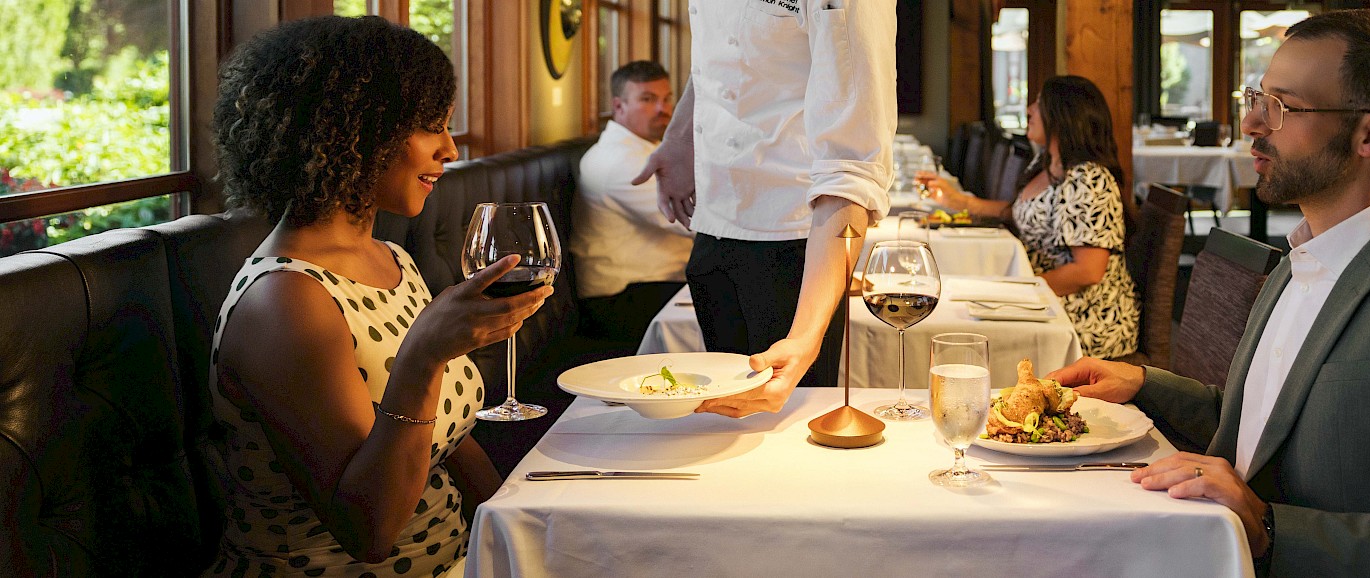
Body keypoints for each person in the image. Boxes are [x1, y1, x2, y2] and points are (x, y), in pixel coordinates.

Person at [1046, 10, 1370, 577]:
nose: (1252, 123)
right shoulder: (1298, 261)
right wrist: (1144, 383)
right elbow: (1263, 429)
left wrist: (1269, 528)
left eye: (1281, 107)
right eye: (1257, 99)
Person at [206, 16, 550, 576]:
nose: (450, 149)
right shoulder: (286, 301)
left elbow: (452, 440)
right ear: (352, 130)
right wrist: (424, 355)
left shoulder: (392, 259)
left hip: (458, 560)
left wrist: (523, 535)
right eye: (431, 127)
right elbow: (368, 532)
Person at [632, 0, 896, 416]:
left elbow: (851, 168)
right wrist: (680, 137)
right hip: (713, 229)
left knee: (791, 429)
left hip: (797, 246)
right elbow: (721, 56)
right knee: (721, 423)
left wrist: (805, 337)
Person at [917, 76, 1140, 359]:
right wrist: (959, 202)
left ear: (1063, 114)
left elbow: (1088, 271)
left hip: (1084, 318)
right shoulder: (1047, 163)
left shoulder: (1088, 178)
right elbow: (1019, 212)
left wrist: (1016, 290)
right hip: (1041, 298)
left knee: (959, 327)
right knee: (956, 308)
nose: (1029, 110)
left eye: (1039, 103)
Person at [572, 60, 691, 344]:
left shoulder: (644, 148)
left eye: (667, 98)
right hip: (622, 298)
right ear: (619, 106)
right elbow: (690, 221)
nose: (663, 109)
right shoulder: (619, 162)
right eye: (647, 100)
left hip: (656, 284)